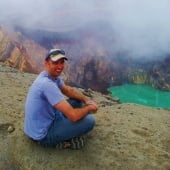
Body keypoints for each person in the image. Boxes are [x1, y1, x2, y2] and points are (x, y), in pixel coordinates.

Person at [24, 49, 98, 149]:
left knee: (76, 101)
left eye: (62, 62)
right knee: (90, 121)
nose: (60, 66)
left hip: (46, 120)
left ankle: (66, 129)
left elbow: (67, 90)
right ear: (46, 63)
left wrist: (85, 100)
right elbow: (73, 116)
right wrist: (89, 108)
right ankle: (64, 143)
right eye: (55, 63)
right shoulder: (47, 84)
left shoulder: (49, 76)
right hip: (43, 135)